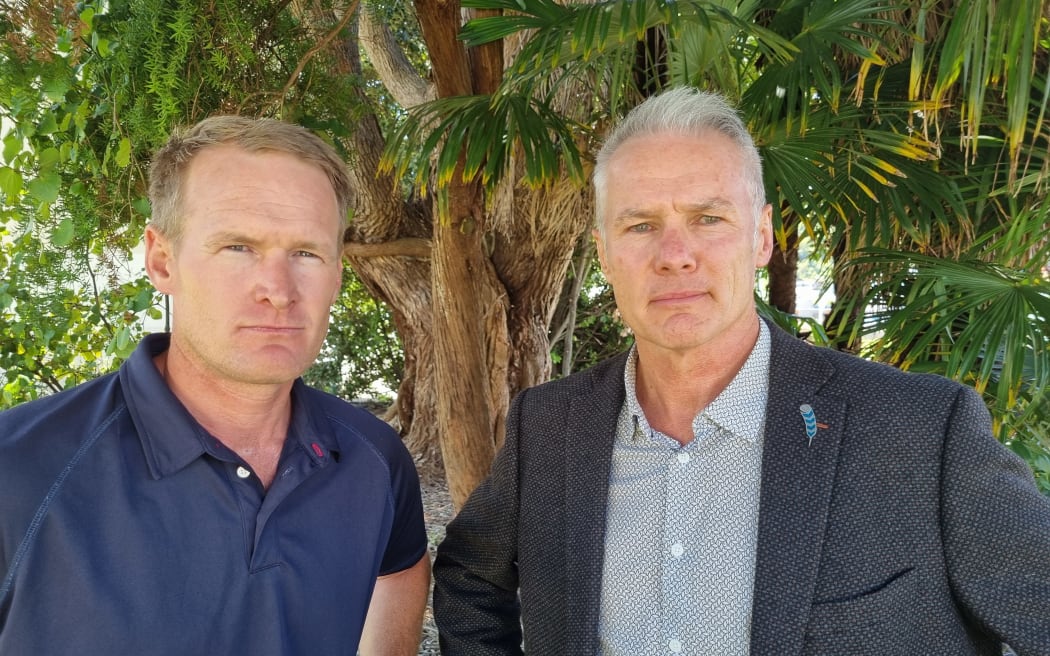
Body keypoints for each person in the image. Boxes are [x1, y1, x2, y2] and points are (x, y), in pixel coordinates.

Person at [432, 88, 1050, 655]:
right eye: (641, 225)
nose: (675, 256)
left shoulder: (921, 433)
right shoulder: (550, 425)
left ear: (761, 237)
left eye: (708, 218)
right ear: (604, 253)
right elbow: (468, 578)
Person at [0, 116, 430, 654]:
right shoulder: (19, 469)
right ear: (162, 260)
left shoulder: (373, 459)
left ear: (338, 272)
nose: (278, 290)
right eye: (237, 247)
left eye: (306, 253)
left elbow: (400, 571)